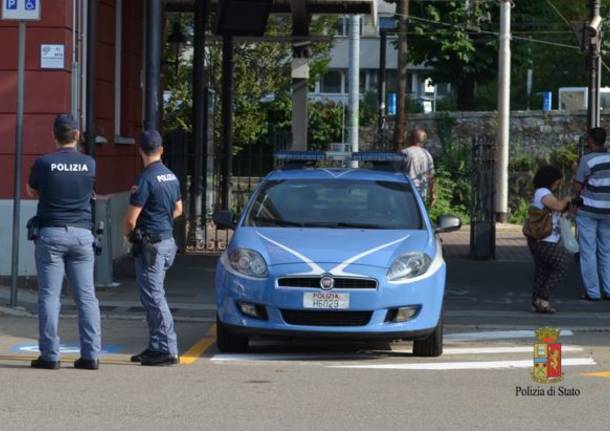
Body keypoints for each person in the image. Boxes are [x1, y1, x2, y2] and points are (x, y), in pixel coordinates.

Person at [27, 114, 101, 370]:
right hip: (81, 234)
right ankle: (91, 355)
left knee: (49, 296)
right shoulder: (89, 163)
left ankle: (50, 356)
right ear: (77, 135)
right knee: (87, 297)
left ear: (54, 135)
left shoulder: (44, 163)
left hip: (51, 234)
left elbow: (32, 190)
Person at [123, 130, 183, 366]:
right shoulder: (171, 176)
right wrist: (162, 219)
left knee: (154, 297)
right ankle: (155, 346)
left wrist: (128, 237)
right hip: (166, 241)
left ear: (140, 151)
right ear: (161, 150)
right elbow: (178, 209)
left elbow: (130, 219)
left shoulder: (145, 179)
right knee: (151, 296)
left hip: (151, 244)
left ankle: (168, 348)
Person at [527, 165, 572, 313]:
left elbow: (557, 211)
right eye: (558, 182)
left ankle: (535, 302)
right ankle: (543, 299)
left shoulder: (542, 193)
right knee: (562, 263)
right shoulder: (543, 192)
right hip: (544, 240)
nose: (558, 186)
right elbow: (558, 206)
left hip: (542, 240)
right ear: (550, 180)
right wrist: (566, 199)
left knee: (543, 270)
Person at [574, 127, 610, 301]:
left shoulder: (587, 160)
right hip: (608, 212)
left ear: (590, 141)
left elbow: (577, 185)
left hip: (588, 210)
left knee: (588, 251)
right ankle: (609, 289)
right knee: (606, 250)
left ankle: (593, 292)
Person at [401, 127, 436, 206]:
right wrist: (433, 194)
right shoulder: (427, 155)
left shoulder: (405, 153)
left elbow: (395, 173)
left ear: (412, 139)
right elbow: (431, 177)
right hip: (421, 193)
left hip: (406, 192)